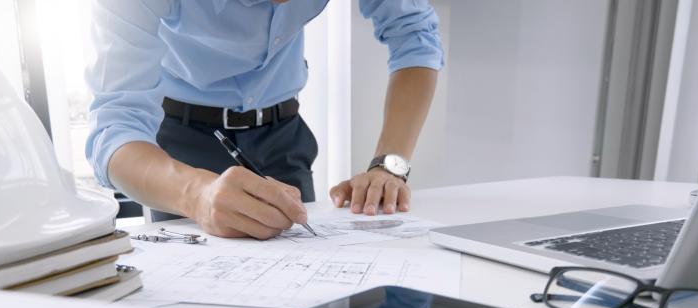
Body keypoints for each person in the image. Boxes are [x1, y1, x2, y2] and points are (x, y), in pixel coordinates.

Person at [86, 0, 443, 239]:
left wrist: (389, 166)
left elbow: (414, 35)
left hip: (283, 135)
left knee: (301, 289)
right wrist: (195, 194)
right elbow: (114, 128)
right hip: (179, 146)